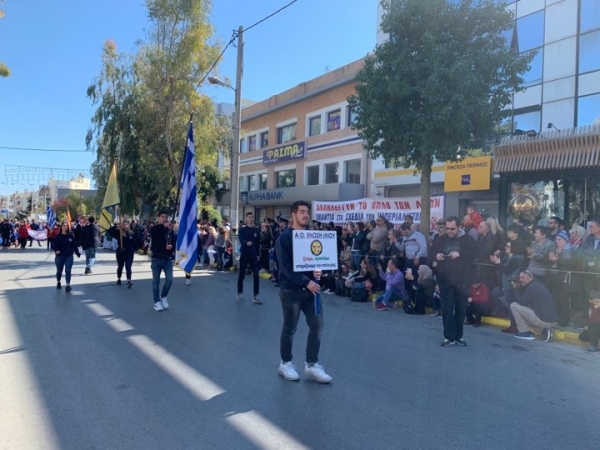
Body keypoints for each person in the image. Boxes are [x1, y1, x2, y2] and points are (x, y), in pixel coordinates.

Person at [275, 200, 332, 383]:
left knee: (318, 325)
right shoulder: (284, 238)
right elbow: (285, 267)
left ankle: (312, 364)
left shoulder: (311, 237)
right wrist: (306, 281)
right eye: (302, 212)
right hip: (291, 291)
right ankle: (285, 363)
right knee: (290, 327)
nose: (306, 215)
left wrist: (318, 270)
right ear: (293, 215)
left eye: (307, 211)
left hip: (311, 291)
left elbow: (314, 260)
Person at [428, 216, 478, 347]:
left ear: (459, 227)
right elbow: (430, 254)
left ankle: (458, 336)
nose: (449, 231)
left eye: (452, 229)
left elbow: (475, 254)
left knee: (461, 309)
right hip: (445, 280)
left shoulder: (468, 239)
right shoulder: (441, 239)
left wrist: (460, 253)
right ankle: (448, 336)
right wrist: (436, 256)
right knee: (447, 309)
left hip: (462, 281)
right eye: (448, 228)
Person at [510, 269, 558, 341]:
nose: (520, 280)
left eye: (523, 278)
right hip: (552, 321)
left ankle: (525, 332)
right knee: (525, 313)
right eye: (520, 278)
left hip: (545, 321)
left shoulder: (532, 287)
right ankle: (545, 330)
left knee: (513, 305)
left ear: (530, 278)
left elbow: (522, 302)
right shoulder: (538, 284)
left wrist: (516, 288)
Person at [150, 211, 176, 312]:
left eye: (166, 217)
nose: (164, 218)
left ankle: (163, 296)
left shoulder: (170, 232)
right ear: (158, 218)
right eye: (162, 217)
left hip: (167, 260)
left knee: (169, 280)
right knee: (156, 282)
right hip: (156, 259)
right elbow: (153, 233)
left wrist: (171, 246)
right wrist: (162, 226)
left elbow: (174, 243)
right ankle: (156, 302)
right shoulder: (155, 229)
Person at [237, 212, 262, 304]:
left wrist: (258, 254)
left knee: (256, 275)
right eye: (249, 217)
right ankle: (239, 293)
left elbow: (258, 243)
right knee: (242, 274)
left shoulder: (256, 231)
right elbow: (241, 238)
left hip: (254, 255)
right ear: (246, 219)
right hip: (245, 254)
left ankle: (256, 295)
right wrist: (246, 242)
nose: (251, 219)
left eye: (252, 217)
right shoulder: (242, 230)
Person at [107, 220, 138, 287]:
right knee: (120, 266)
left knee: (128, 266)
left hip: (129, 252)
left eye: (127, 224)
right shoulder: (119, 233)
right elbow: (110, 231)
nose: (125, 225)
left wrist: (135, 249)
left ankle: (129, 280)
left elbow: (135, 243)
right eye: (124, 224)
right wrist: (116, 226)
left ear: (129, 225)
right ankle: (119, 278)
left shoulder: (132, 233)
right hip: (121, 252)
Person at [52, 222, 81, 292]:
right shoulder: (58, 236)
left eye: (66, 226)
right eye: (64, 226)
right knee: (59, 271)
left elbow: (74, 245)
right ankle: (58, 281)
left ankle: (68, 285)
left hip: (69, 255)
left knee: (68, 270)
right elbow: (53, 245)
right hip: (60, 256)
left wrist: (77, 253)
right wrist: (56, 250)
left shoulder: (70, 236)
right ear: (61, 227)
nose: (65, 227)